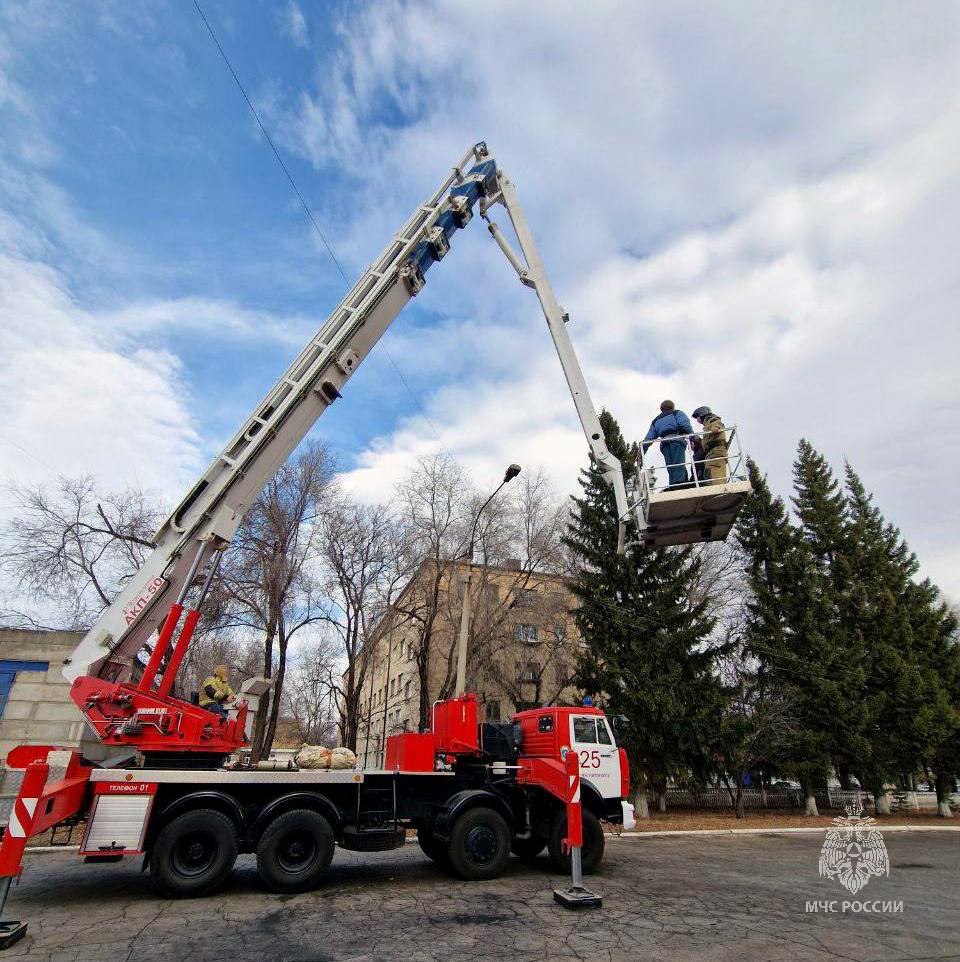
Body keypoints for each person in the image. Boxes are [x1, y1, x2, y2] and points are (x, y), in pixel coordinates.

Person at [642, 400, 694, 488]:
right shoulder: (677, 413)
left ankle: (673, 484)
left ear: (661, 408)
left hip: (664, 444)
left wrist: (642, 450)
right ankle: (680, 484)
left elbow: (649, 438)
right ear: (672, 406)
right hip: (676, 441)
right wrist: (694, 438)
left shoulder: (656, 420)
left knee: (670, 467)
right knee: (678, 464)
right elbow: (685, 426)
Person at [692, 406, 728, 483]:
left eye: (698, 417)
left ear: (702, 414)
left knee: (715, 477)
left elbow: (718, 426)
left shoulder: (713, 419)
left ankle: (718, 492)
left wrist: (715, 428)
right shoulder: (707, 424)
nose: (698, 420)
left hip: (716, 452)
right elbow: (707, 440)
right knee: (709, 475)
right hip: (711, 453)